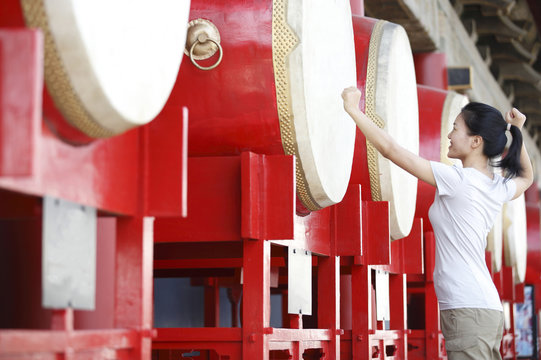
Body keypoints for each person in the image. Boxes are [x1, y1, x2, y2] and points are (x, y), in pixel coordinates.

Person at [342, 86, 534, 360]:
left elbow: (390, 150)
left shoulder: (458, 180)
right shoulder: (494, 186)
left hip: (468, 308)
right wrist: (517, 129)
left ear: (476, 141)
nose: (449, 134)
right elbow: (526, 178)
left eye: (456, 128)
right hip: (481, 308)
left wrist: (352, 109)